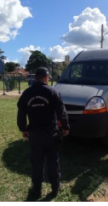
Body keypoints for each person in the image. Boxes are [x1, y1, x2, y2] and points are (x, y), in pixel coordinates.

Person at [17, 67, 70, 199]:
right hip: (50, 134)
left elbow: (21, 112)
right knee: (52, 160)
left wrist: (23, 129)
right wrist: (65, 127)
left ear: (35, 77)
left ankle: (37, 188)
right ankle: (55, 186)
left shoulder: (27, 93)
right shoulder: (53, 92)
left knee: (36, 161)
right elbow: (61, 111)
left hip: (34, 134)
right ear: (46, 77)